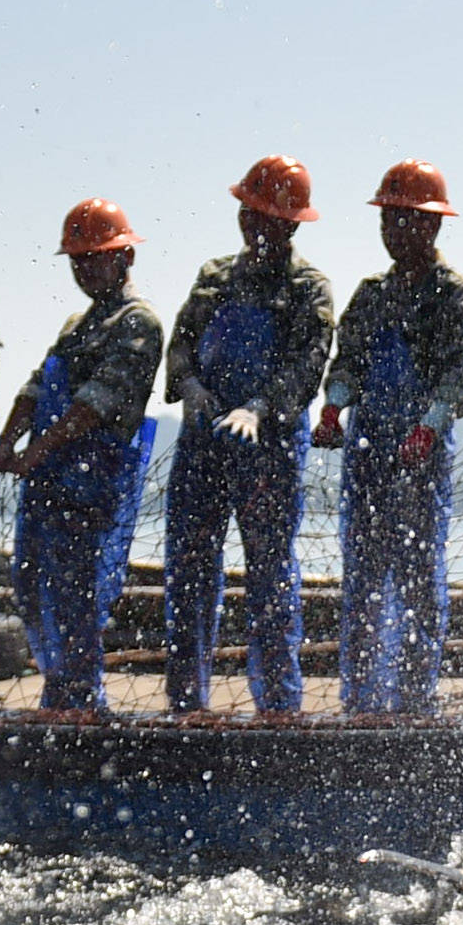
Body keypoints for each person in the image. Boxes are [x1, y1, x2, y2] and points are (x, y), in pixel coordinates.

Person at [313, 160, 463, 714]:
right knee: (364, 573)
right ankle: (362, 694)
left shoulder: (459, 296)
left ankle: (414, 695)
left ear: (433, 226)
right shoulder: (370, 295)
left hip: (421, 455)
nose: (394, 232)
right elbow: (347, 365)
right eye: (388, 221)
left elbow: (461, 375)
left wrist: (429, 427)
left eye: (406, 221)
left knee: (417, 574)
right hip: (368, 452)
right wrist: (333, 409)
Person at [163, 156, 335, 717]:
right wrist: (188, 384)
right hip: (202, 442)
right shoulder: (213, 277)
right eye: (252, 216)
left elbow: (309, 364)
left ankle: (279, 703)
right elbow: (181, 341)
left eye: (272, 220)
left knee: (269, 572)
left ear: (292, 226)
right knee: (189, 568)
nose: (259, 229)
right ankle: (187, 697)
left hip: (271, 450)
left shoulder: (309, 288)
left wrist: (260, 408)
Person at [0, 198, 164, 715]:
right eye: (78, 260)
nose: (86, 269)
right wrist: (7, 443)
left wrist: (33, 453)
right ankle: (58, 690)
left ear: (125, 257)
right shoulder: (75, 324)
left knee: (80, 598)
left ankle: (82, 702)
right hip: (48, 482)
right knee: (31, 582)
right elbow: (37, 386)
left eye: (96, 257)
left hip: (94, 486)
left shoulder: (138, 323)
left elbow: (92, 406)